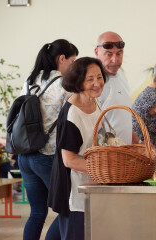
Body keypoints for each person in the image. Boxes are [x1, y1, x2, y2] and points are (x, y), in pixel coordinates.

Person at [17, 39, 78, 240]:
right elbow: (73, 115)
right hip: (47, 156)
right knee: (67, 209)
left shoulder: (29, 81)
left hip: (25, 155)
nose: (74, 66)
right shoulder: (63, 84)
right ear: (62, 59)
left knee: (36, 213)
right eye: (73, 61)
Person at [48, 57, 107, 240]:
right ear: (78, 81)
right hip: (75, 192)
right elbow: (69, 160)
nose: (97, 83)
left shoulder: (94, 102)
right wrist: (104, 170)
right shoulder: (72, 114)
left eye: (99, 77)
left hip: (93, 186)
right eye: (90, 79)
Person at [95, 31, 133, 144]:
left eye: (119, 53)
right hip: (105, 155)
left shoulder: (121, 75)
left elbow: (121, 120)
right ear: (97, 52)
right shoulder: (93, 84)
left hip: (124, 152)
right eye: (109, 54)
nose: (115, 60)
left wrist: (139, 141)